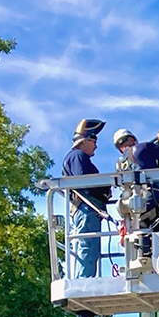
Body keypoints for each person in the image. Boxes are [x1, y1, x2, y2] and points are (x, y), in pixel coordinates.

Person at [61, 118, 107, 276]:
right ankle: (84, 280)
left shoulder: (77, 157)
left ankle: (86, 278)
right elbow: (84, 182)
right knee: (87, 245)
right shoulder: (78, 156)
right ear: (85, 140)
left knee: (91, 247)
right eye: (94, 141)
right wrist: (104, 188)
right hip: (86, 208)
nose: (96, 146)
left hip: (87, 208)